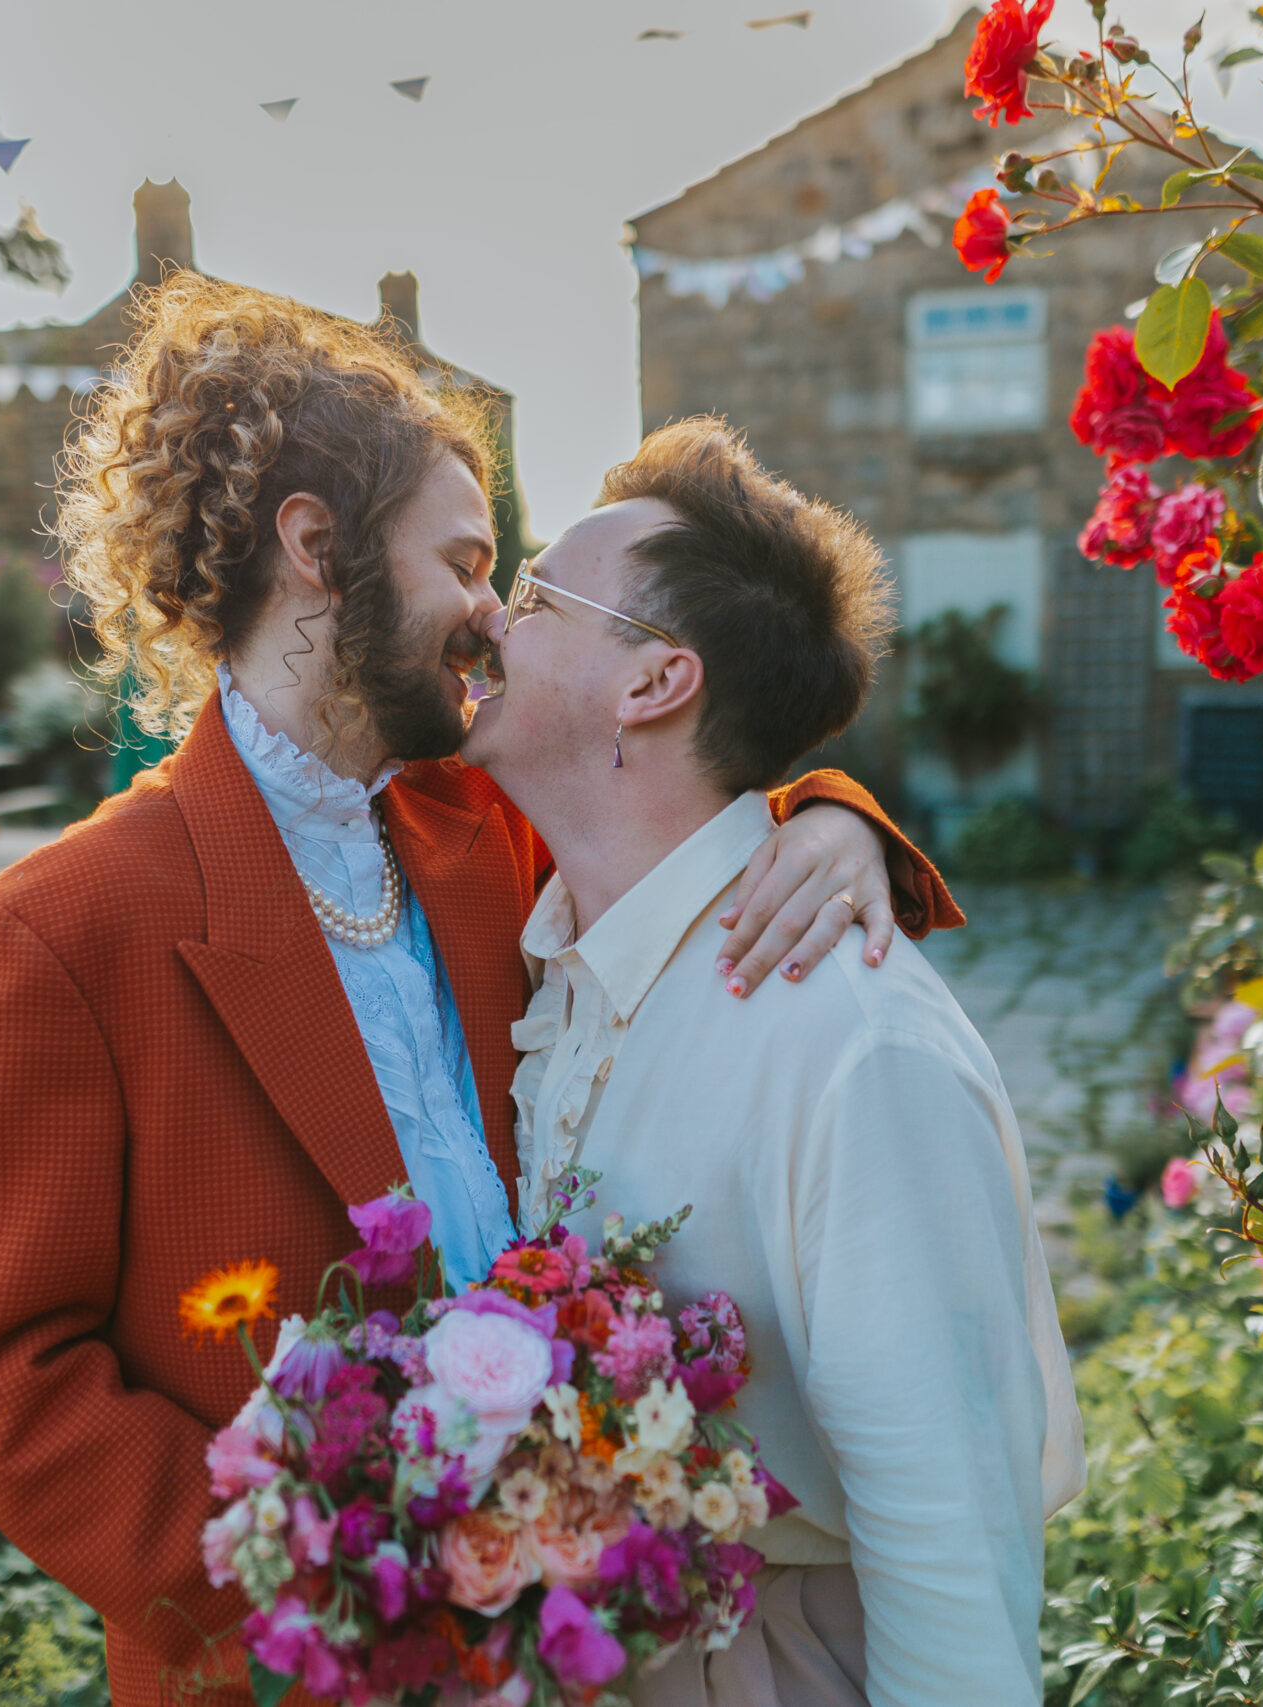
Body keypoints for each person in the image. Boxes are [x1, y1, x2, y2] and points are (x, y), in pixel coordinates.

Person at [0, 276, 957, 1707]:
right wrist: (317, 1584)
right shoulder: (62, 929)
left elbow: (671, 805)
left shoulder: (491, 826)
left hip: (580, 1653)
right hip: (296, 1666)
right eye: (465, 563)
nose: (487, 617)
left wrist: (834, 816)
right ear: (316, 549)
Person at [463, 419, 1085, 1707]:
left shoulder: (856, 1052)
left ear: (654, 685)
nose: (487, 618)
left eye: (532, 596)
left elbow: (951, 1567)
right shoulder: (564, 952)